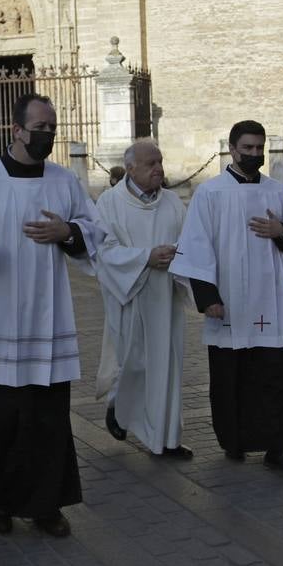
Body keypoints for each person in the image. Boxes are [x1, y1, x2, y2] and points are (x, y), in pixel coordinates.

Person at [0, 94, 102, 538]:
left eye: (53, 126)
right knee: (2, 418)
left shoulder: (64, 181)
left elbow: (94, 230)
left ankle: (46, 505)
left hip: (47, 319)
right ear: (16, 131)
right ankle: (0, 500)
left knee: (49, 417)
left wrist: (67, 231)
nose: (48, 134)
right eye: (40, 127)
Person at [169, 120, 283, 473]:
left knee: (278, 376)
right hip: (229, 302)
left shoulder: (277, 192)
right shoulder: (211, 192)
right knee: (232, 376)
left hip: (272, 300)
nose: (254, 154)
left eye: (258, 148)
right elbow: (195, 246)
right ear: (231, 149)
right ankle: (234, 442)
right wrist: (208, 297)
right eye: (246, 148)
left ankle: (278, 448)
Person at [95, 139, 192, 459]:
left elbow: (190, 243)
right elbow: (103, 251)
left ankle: (165, 439)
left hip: (166, 299)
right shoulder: (109, 203)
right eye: (151, 164)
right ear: (131, 168)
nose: (159, 169)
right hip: (129, 298)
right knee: (133, 365)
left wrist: (178, 259)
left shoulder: (173, 203)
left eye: (160, 162)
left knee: (166, 368)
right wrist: (144, 258)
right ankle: (118, 406)